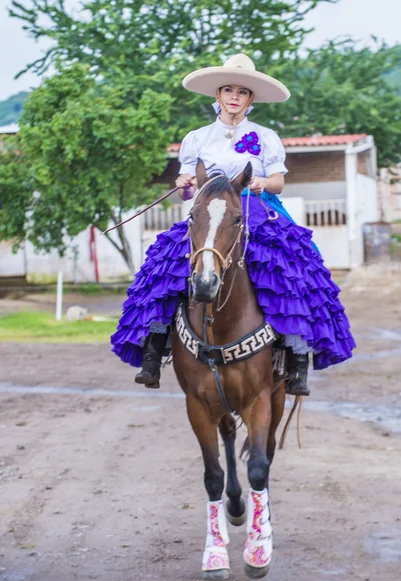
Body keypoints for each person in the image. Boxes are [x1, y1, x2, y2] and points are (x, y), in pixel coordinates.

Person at [111, 54, 356, 394]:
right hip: (210, 211)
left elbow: (278, 182)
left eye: (242, 92)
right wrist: (184, 185)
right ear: (218, 95)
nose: (235, 97)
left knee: (291, 268)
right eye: (228, 90)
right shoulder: (197, 137)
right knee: (163, 267)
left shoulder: (265, 135)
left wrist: (261, 184)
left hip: (253, 207)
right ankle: (154, 352)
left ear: (250, 99)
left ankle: (297, 359)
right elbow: (187, 183)